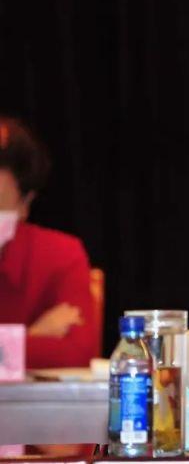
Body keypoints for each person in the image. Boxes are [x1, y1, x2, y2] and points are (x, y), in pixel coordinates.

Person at [0, 117, 98, 368]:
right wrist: (31, 335)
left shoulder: (59, 254)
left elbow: (78, 352)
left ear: (25, 203)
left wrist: (8, 348)